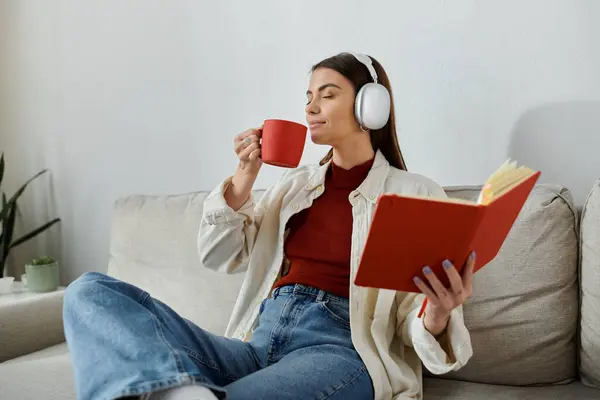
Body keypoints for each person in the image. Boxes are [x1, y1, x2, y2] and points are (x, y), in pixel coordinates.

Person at [63, 52, 473, 400]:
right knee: (90, 293)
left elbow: (408, 324)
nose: (310, 107)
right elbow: (221, 255)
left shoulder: (414, 194)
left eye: (327, 95)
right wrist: (244, 176)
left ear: (371, 106)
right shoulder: (293, 186)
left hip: (338, 351)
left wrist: (436, 315)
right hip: (255, 343)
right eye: (308, 97)